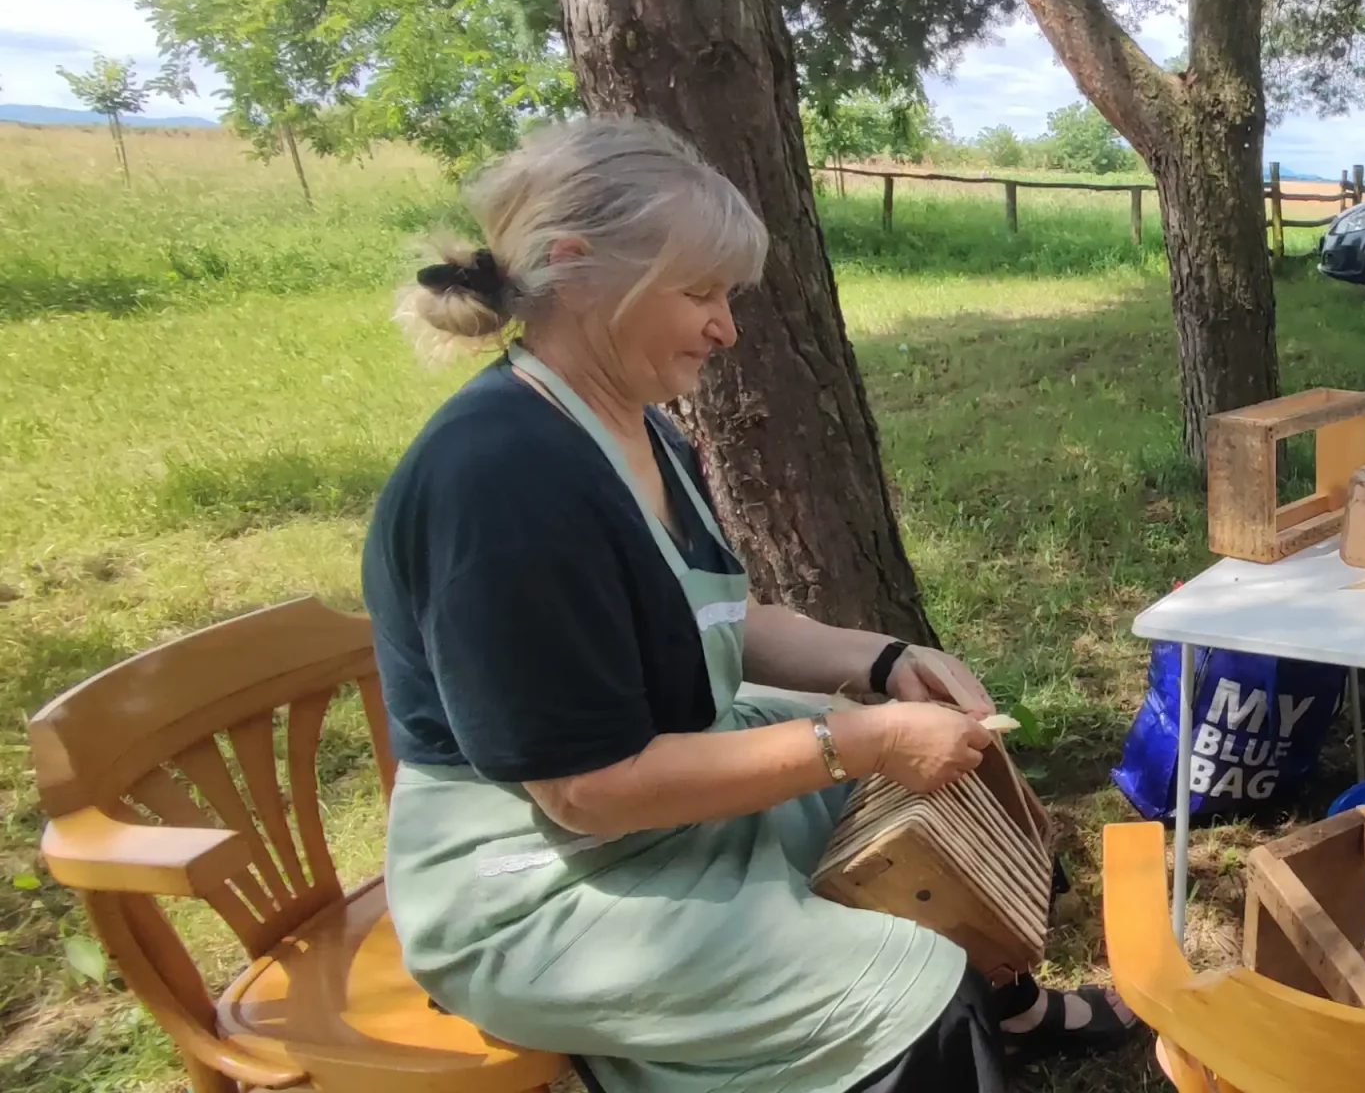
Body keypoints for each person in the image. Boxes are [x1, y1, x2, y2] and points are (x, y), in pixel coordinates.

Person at [363, 118, 1135, 1093]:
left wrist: (885, 662)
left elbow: (715, 619)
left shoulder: (640, 428)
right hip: (540, 879)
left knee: (952, 777)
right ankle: (944, 1017)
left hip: (652, 801)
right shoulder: (501, 480)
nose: (725, 327)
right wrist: (863, 740)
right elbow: (585, 791)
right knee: (906, 992)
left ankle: (1006, 1006)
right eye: (699, 293)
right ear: (576, 267)